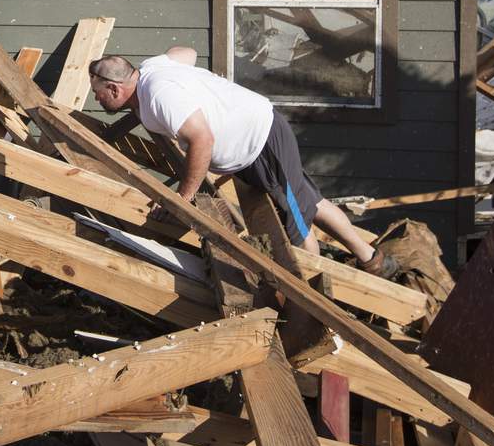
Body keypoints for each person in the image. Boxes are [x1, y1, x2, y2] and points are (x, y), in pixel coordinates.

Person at [88, 47, 400, 279]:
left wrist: (182, 198)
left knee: (296, 224)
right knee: (309, 202)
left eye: (98, 94)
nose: (97, 101)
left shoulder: (159, 96)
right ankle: (372, 259)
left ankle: (310, 301)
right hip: (251, 145)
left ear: (115, 88)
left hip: (262, 141)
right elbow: (187, 52)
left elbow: (202, 140)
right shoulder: (153, 68)